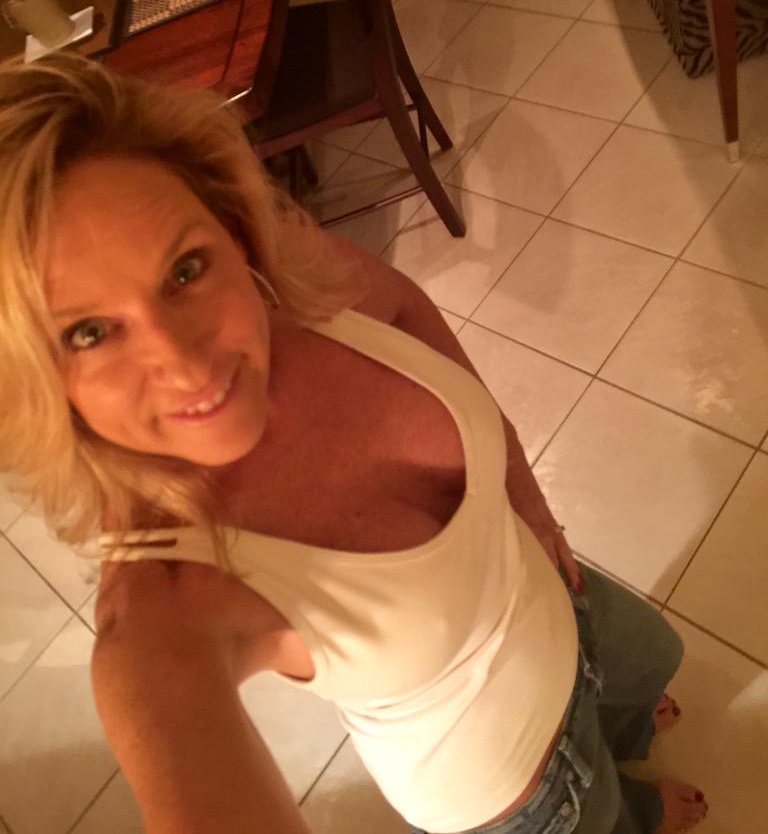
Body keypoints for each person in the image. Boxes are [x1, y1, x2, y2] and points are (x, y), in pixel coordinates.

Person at [0, 53, 708, 834]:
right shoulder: (165, 607)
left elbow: (407, 308)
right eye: (88, 333)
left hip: (563, 596)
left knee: (650, 669)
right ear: (30, 383)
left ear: (233, 231)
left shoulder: (294, 288)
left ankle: (627, 733)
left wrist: (526, 498)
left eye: (185, 270)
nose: (184, 362)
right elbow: (167, 720)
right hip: (526, 789)